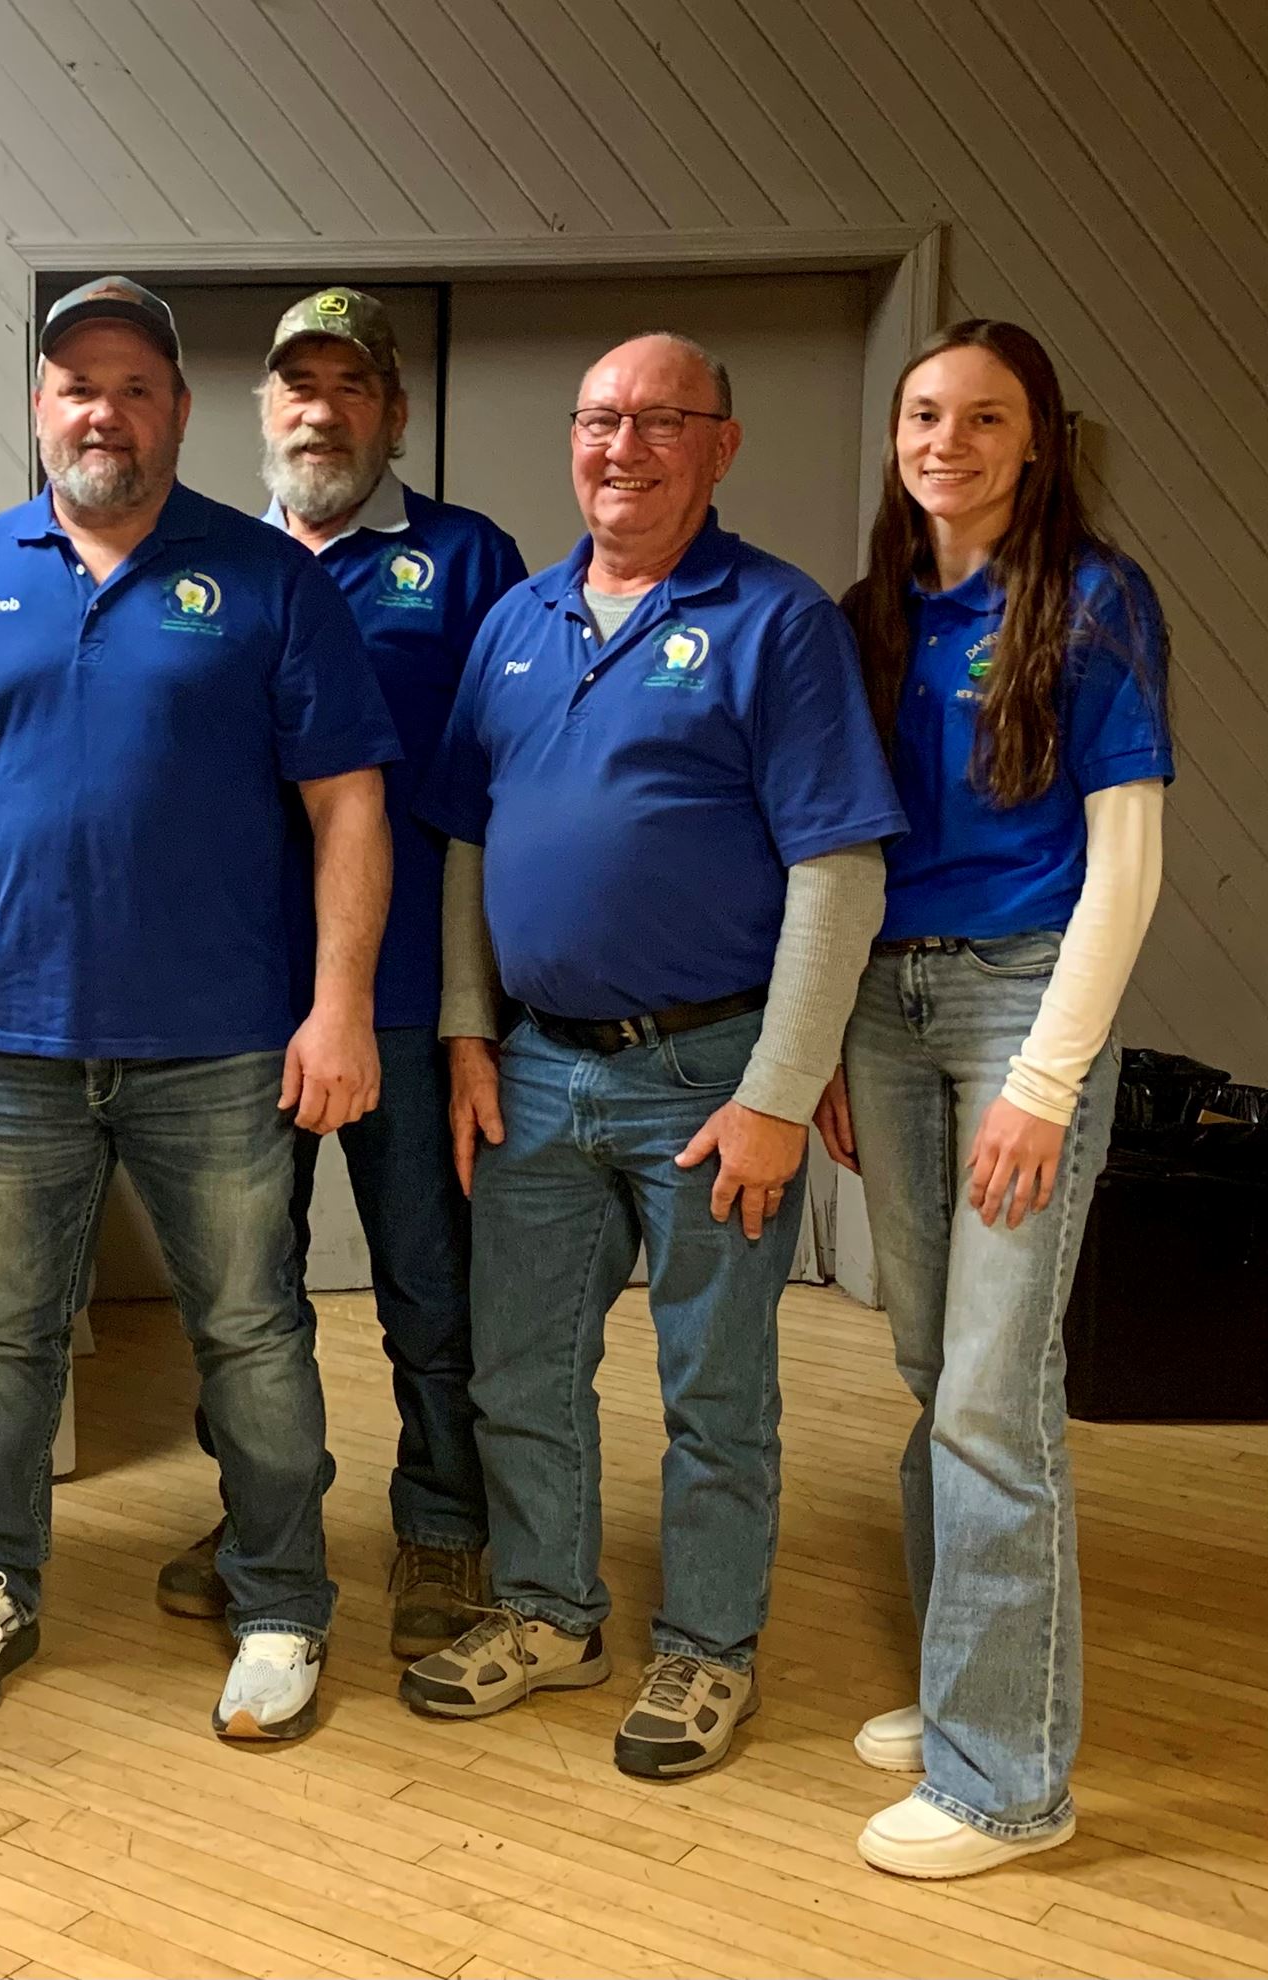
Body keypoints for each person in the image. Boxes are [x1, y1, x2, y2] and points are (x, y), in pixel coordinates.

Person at [0, 276, 400, 1743]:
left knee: (253, 1333)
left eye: (135, 385)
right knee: (0, 1336)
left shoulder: (265, 579)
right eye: (76, 384)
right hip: (12, 1045)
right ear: (39, 408)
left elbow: (350, 807)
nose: (104, 408)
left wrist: (338, 1006)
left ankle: (282, 1599)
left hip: (221, 1045)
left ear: (177, 408)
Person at [409, 333, 906, 1779]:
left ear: (720, 446)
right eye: (599, 419)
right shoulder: (517, 620)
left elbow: (839, 871)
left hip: (710, 1078)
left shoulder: (776, 621)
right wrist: (462, 1029)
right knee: (521, 1373)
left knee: (717, 1389)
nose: (622, 446)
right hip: (538, 1067)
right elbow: (468, 839)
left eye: (659, 421)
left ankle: (707, 1652)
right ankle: (550, 1613)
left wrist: (775, 1092)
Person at [815, 321, 1170, 1878]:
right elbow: (834, 858)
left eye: (983, 417)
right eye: (923, 413)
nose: (945, 439)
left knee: (992, 1391)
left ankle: (1005, 1780)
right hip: (885, 1011)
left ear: (1038, 444)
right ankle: (970, 1673)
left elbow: (1130, 866)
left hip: (1019, 1006)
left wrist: (1046, 1078)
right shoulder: (870, 616)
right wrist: (823, 1040)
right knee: (926, 1363)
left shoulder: (1096, 604)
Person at [155, 287, 527, 1662]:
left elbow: (501, 794)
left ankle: (443, 1523)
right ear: (261, 410)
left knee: (432, 1285)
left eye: (351, 385)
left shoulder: (468, 560)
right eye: (295, 385)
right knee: (243, 1290)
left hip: (416, 1000)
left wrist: (484, 1009)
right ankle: (266, 1512)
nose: (321, 408)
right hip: (238, 1006)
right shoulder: (204, 562)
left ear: (394, 411)